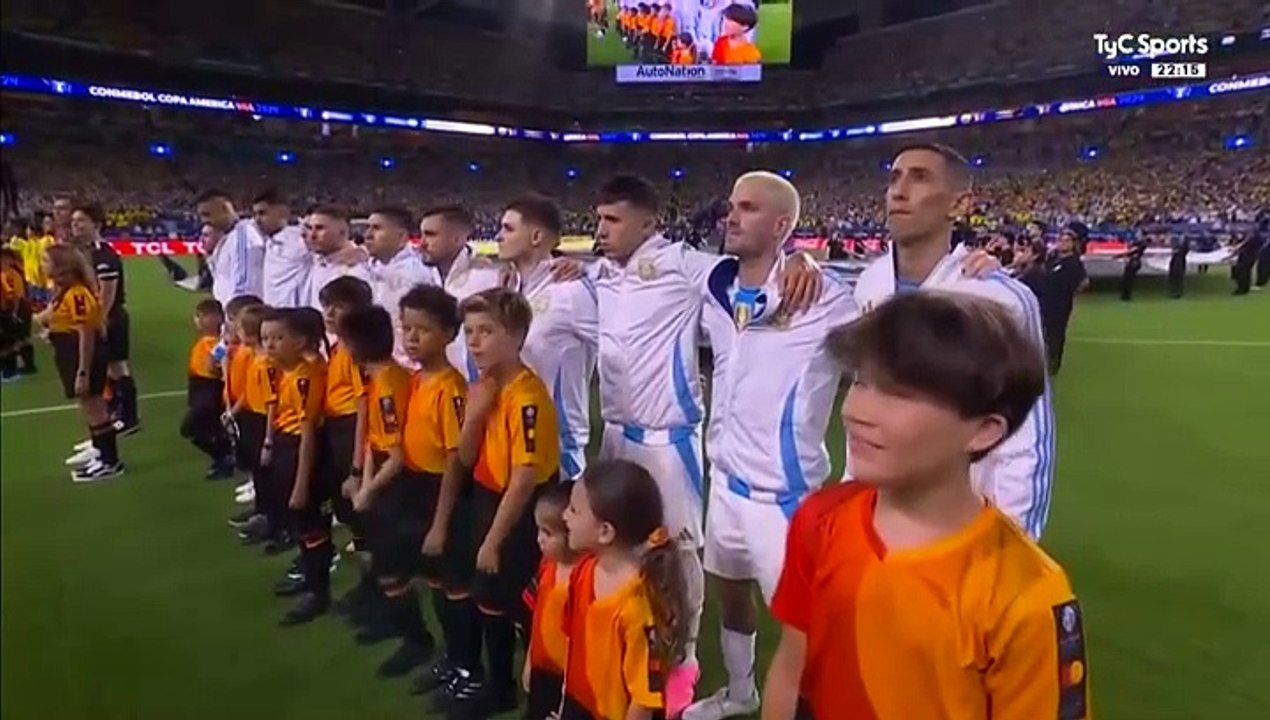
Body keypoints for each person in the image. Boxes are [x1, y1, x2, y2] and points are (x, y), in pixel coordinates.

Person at [763, 291, 1089, 720]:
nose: (857, 410)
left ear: (984, 430)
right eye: (860, 381)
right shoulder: (820, 519)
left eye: (898, 393)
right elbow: (792, 670)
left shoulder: (1025, 595)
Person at [585, 174, 820, 709]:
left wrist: (798, 257)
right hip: (616, 435)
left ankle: (685, 656)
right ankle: (638, 636)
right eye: (599, 218)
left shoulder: (685, 266)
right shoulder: (601, 275)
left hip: (667, 442)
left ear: (649, 224)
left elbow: (750, 268)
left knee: (681, 550)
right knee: (622, 543)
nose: (602, 229)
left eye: (613, 219)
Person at [686, 172, 858, 720]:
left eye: (749, 208)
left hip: (785, 498)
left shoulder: (825, 298)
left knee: (808, 624)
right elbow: (635, 259)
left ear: (783, 226)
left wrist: (804, 260)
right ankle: (741, 692)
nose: (732, 217)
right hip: (725, 486)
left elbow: (893, 328)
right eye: (732, 206)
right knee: (729, 592)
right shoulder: (715, 285)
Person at [853, 143, 1055, 541]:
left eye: (920, 177)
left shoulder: (997, 299)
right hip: (874, 522)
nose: (899, 190)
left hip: (956, 528)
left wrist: (1010, 547)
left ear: (960, 204)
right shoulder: (870, 283)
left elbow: (1025, 439)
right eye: (894, 178)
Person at [447, 287, 560, 713]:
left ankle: (544, 696)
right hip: (487, 500)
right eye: (469, 332)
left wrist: (493, 540)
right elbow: (465, 457)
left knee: (528, 609)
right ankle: (500, 688)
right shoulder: (486, 388)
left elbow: (525, 477)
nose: (474, 342)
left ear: (516, 337)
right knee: (489, 600)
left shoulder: (527, 398)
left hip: (520, 516)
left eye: (486, 331)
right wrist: (474, 416)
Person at [338, 305, 438, 676]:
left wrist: (369, 489)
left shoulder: (389, 386)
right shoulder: (384, 378)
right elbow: (374, 442)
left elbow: (395, 454)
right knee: (383, 560)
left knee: (392, 566)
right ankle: (390, 619)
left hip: (398, 482)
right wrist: (361, 477)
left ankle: (417, 640)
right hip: (385, 475)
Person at [561, 459, 688, 720]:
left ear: (605, 532)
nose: (564, 516)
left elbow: (643, 700)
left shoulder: (639, 608)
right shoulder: (583, 571)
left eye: (574, 510)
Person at [393, 285, 472, 700]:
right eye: (405, 328)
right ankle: (452, 657)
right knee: (437, 584)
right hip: (417, 488)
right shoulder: (417, 379)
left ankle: (468, 668)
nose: (410, 337)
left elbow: (456, 459)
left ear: (448, 334)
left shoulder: (449, 388)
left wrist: (441, 523)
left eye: (421, 330)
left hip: (444, 494)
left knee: (455, 586)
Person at [497, 194, 598, 479]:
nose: (498, 236)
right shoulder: (511, 288)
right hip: (512, 432)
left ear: (536, 236)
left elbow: (616, 343)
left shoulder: (571, 291)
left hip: (557, 443)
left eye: (508, 228)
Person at [303, 277, 373, 615]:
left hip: (351, 435)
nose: (329, 312)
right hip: (337, 432)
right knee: (348, 515)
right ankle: (370, 588)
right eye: (326, 304)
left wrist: (358, 466)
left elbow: (364, 407)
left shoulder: (357, 350)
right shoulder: (339, 347)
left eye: (338, 305)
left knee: (363, 519)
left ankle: (379, 595)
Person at [260, 308, 332, 624]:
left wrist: (302, 483)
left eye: (277, 338)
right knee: (302, 525)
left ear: (300, 341)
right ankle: (310, 579)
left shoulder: (306, 377)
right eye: (265, 339)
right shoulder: (288, 370)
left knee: (310, 523)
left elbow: (308, 433)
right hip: (286, 448)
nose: (269, 345)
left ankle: (318, 593)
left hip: (300, 454)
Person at [38, 244, 122, 481]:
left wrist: (82, 371)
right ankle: (101, 454)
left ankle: (110, 461)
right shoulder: (63, 291)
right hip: (69, 352)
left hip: (83, 355)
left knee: (95, 407)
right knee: (89, 406)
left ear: (61, 266)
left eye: (46, 261)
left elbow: (86, 332)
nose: (42, 265)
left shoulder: (77, 294)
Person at [69, 203, 140, 436]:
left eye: (81, 220)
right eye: (74, 221)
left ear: (96, 224)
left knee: (117, 367)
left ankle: (129, 417)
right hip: (98, 317)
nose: (75, 225)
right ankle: (117, 411)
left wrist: (97, 322)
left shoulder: (104, 255)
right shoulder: (83, 253)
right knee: (108, 369)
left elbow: (106, 296)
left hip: (109, 318)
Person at [419, 204, 504, 381]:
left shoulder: (488, 277)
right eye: (422, 234)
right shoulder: (418, 274)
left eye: (431, 234)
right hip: (435, 386)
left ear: (457, 239)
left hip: (475, 388)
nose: (422, 243)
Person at [522, 481, 578, 720]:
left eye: (548, 533)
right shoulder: (547, 567)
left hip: (572, 681)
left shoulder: (586, 580)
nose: (539, 540)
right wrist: (529, 662)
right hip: (543, 672)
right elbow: (536, 617)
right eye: (538, 530)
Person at [363, 205, 440, 364]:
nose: (368, 235)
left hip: (404, 369)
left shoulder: (414, 275)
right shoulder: (369, 267)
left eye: (377, 228)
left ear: (401, 236)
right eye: (368, 228)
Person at [228, 303, 279, 544]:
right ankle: (262, 512)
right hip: (252, 417)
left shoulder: (266, 363)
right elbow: (249, 391)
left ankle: (272, 519)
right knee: (259, 472)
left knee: (268, 474)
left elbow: (271, 401)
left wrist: (269, 437)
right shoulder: (256, 359)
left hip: (263, 422)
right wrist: (235, 411)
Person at [182, 298, 234, 479]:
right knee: (202, 429)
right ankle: (223, 456)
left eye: (201, 316)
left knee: (191, 428)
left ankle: (225, 454)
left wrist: (216, 359)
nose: (196, 320)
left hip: (209, 391)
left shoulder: (218, 344)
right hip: (199, 389)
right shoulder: (206, 341)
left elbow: (217, 361)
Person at [197, 190, 265, 309]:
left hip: (238, 316)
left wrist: (235, 320)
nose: (204, 220)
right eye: (201, 216)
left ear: (225, 209)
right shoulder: (229, 237)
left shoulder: (242, 236)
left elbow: (245, 290)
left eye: (207, 214)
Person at [301, 205, 372, 312]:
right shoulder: (313, 259)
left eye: (320, 228)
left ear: (342, 232)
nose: (312, 235)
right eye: (310, 228)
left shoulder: (356, 269)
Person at [1040, 224, 1089, 376]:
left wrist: (1069, 292)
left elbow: (1084, 282)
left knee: (1056, 333)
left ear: (1073, 244)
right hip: (1046, 299)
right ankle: (1043, 360)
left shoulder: (1074, 263)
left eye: (1066, 240)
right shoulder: (1053, 258)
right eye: (1061, 240)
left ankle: (1054, 364)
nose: (1062, 243)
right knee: (1043, 332)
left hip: (1060, 303)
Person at [254, 189, 310, 308]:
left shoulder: (300, 239)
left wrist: (354, 251)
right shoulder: (268, 242)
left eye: (263, 213)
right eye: (255, 214)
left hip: (294, 316)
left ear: (282, 213)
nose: (257, 219)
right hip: (272, 313)